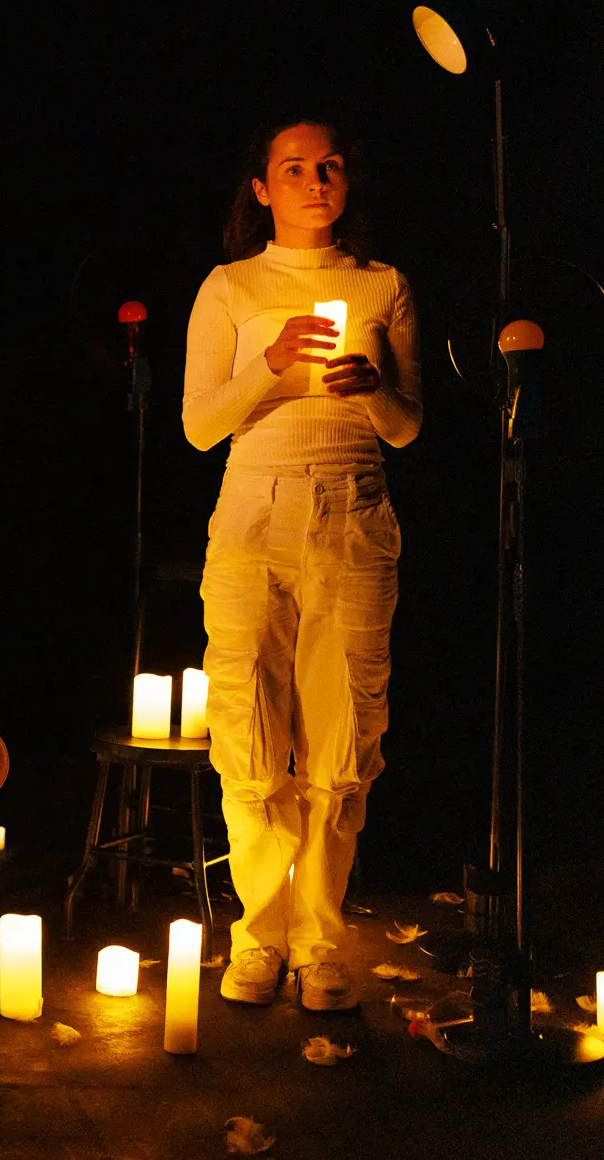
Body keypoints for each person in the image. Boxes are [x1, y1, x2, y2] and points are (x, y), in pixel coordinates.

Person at [181, 117, 422, 1011]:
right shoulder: (232, 286)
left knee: (343, 736)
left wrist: (374, 389)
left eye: (329, 166)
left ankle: (319, 939)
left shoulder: (382, 284)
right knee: (247, 728)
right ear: (261, 188)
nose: (315, 181)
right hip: (255, 515)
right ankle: (260, 934)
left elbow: (408, 426)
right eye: (293, 168)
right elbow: (199, 426)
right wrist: (274, 364)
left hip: (353, 513)